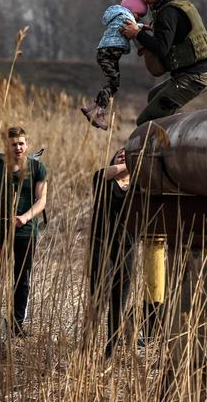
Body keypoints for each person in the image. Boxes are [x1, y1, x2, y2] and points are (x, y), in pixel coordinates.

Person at [0, 126, 47, 336]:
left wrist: (25, 217)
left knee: (22, 278)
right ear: (7, 145)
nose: (18, 147)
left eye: (22, 143)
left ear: (27, 145)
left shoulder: (36, 167)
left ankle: (16, 324)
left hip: (26, 231)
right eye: (14, 144)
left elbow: (42, 200)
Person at [121, 0, 207, 126]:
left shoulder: (168, 12)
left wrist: (137, 33)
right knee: (153, 96)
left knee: (145, 122)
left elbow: (161, 48)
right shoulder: (177, 4)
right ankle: (168, 135)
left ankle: (163, 144)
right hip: (188, 74)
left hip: (193, 77)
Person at [86, 147, 135, 358]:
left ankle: (110, 351)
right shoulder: (103, 179)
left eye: (127, 154)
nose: (123, 155)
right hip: (101, 244)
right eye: (119, 154)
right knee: (99, 296)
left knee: (118, 301)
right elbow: (102, 173)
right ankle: (87, 346)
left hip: (127, 247)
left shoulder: (139, 185)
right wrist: (134, 163)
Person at [81, 0, 148, 131]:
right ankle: (99, 112)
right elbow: (134, 28)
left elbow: (134, 25)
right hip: (110, 53)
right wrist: (143, 38)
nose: (138, 19)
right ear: (134, 9)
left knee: (112, 83)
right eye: (139, 15)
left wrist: (143, 26)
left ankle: (91, 107)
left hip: (104, 53)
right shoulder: (126, 17)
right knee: (113, 85)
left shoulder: (118, 15)